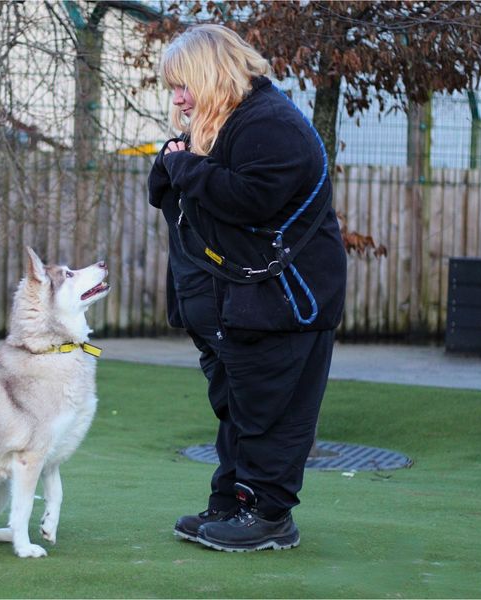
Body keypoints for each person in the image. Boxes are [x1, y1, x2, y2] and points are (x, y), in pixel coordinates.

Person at [148, 24, 347, 552]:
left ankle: (269, 516)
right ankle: (233, 504)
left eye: (183, 84)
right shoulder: (228, 122)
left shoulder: (269, 124)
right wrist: (175, 164)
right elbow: (180, 200)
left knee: (271, 412)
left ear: (212, 74)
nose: (178, 98)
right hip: (246, 304)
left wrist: (183, 165)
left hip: (287, 302)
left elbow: (248, 199)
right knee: (240, 407)